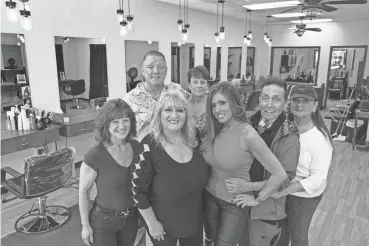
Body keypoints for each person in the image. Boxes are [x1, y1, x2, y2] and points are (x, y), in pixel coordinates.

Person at [200, 82, 288, 246]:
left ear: (234, 102)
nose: (217, 109)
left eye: (222, 103)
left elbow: (280, 175)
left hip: (234, 205)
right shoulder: (213, 129)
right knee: (210, 241)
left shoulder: (247, 134)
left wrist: (257, 199)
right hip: (209, 197)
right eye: (213, 105)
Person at [226, 77, 300, 246]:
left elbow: (285, 180)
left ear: (286, 103)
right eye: (265, 98)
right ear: (259, 99)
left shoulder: (289, 136)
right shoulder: (247, 123)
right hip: (241, 204)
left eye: (276, 99)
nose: (269, 104)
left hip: (267, 209)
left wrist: (251, 189)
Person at [132, 91, 209, 246]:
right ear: (159, 114)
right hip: (162, 225)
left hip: (193, 222)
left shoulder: (195, 139)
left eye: (180, 110)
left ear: (186, 114)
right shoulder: (149, 145)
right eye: (168, 110)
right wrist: (152, 223)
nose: (174, 115)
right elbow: (138, 191)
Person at [271, 85, 334, 246]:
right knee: (280, 234)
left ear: (314, 106)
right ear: (289, 103)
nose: (299, 104)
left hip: (303, 198)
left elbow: (318, 179)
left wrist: (285, 191)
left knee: (298, 237)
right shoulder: (286, 127)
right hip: (282, 189)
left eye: (305, 101)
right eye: (295, 100)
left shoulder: (319, 139)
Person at [79, 99, 142, 246]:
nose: (122, 126)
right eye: (115, 122)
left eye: (125, 120)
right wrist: (85, 225)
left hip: (131, 218)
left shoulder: (136, 146)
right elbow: (83, 191)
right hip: (104, 220)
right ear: (106, 125)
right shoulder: (95, 155)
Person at [124, 50, 191, 141]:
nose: (156, 71)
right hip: (142, 151)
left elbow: (196, 103)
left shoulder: (176, 90)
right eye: (150, 67)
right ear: (143, 71)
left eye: (160, 67)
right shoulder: (130, 99)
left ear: (166, 70)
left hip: (175, 149)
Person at [187, 65, 209, 133]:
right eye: (195, 82)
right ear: (189, 85)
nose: (199, 86)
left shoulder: (213, 103)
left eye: (202, 82)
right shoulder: (184, 105)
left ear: (207, 86)